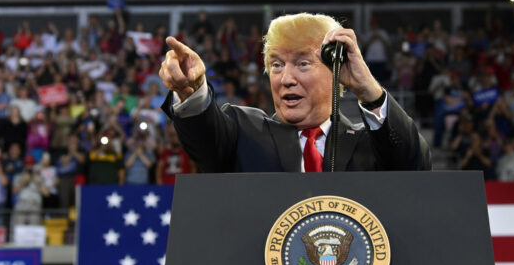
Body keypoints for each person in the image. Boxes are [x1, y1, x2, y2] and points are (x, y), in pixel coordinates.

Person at [159, 13, 432, 172]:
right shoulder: (242, 131)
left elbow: (415, 166)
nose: (286, 78)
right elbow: (205, 138)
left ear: (336, 70)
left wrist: (369, 90)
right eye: (276, 65)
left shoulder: (371, 143)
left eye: (303, 63)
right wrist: (191, 91)